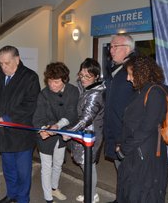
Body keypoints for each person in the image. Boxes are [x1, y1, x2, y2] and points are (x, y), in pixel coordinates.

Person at [0, 45, 40, 203]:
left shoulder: (30, 77)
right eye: (0, 63)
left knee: (23, 172)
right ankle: (12, 196)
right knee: (9, 169)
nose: (3, 67)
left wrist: (7, 119)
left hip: (21, 134)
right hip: (3, 134)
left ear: (17, 60)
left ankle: (23, 199)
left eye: (7, 63)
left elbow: (30, 105)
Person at [116, 56, 168, 203]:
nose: (128, 78)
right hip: (136, 152)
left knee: (143, 193)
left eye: (130, 74)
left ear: (141, 73)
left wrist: (124, 148)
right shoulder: (142, 91)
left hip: (145, 155)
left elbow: (147, 128)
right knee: (131, 190)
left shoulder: (155, 93)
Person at [33, 62, 79, 203]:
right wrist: (42, 129)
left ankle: (54, 188)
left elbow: (72, 113)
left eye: (56, 82)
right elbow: (37, 117)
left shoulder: (73, 91)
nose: (52, 85)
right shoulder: (44, 94)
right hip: (45, 134)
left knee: (58, 163)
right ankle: (48, 198)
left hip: (62, 132)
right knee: (46, 166)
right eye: (50, 81)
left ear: (64, 80)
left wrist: (57, 126)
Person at [64, 58, 105, 203]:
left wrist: (69, 132)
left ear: (96, 76)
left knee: (88, 165)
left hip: (89, 135)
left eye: (88, 76)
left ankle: (92, 195)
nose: (83, 79)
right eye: (81, 75)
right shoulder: (87, 88)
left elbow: (86, 118)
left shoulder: (96, 93)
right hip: (84, 133)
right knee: (86, 165)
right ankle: (90, 192)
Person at [103, 34, 136, 203]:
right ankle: (120, 199)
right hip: (113, 130)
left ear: (127, 49)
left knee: (130, 175)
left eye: (115, 46)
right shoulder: (114, 70)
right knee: (120, 171)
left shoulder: (134, 70)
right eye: (111, 46)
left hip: (126, 135)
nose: (111, 49)